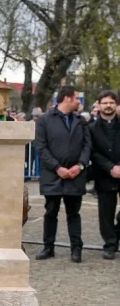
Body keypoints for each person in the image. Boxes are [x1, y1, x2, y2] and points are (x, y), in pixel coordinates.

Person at [34, 86, 90, 263]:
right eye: (76, 98)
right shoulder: (44, 120)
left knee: (74, 213)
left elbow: (87, 146)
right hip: (52, 175)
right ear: (67, 98)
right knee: (51, 212)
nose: (79, 101)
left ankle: (76, 249)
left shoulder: (80, 121)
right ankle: (48, 247)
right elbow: (41, 147)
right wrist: (57, 168)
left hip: (75, 175)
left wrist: (80, 166)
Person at [89, 90, 120, 259]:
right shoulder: (91, 128)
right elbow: (92, 152)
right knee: (106, 213)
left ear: (116, 105)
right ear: (99, 105)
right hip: (103, 174)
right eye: (105, 103)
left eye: (111, 103)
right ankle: (110, 244)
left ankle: (116, 233)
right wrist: (110, 167)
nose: (108, 106)